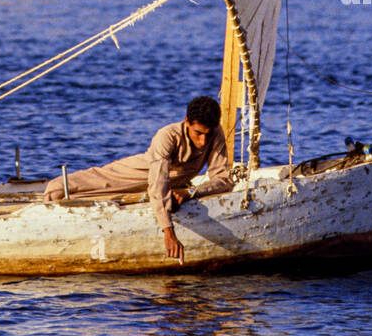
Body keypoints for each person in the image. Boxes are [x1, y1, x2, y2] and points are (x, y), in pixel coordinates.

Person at [43, 96, 233, 260]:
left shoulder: (215, 133)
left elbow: (223, 179)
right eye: (198, 133)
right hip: (137, 173)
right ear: (187, 122)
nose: (203, 142)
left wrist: (192, 191)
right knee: (58, 188)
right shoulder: (167, 136)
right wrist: (168, 232)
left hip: (174, 182)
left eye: (207, 135)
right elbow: (158, 185)